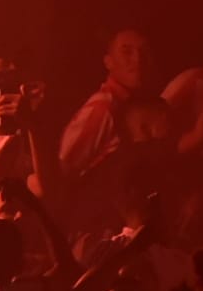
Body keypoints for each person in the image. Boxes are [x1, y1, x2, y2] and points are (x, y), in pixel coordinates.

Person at [59, 27, 151, 185]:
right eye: (127, 52)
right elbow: (60, 173)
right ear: (108, 62)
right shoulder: (103, 109)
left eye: (142, 52)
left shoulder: (138, 106)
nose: (138, 59)